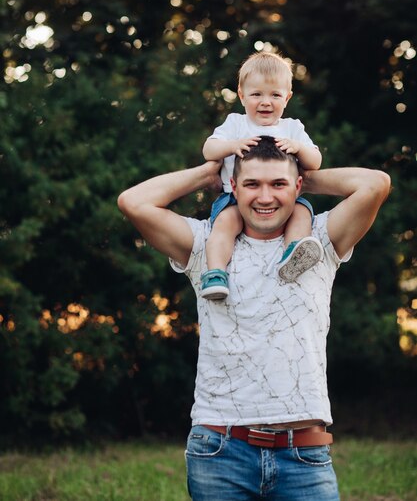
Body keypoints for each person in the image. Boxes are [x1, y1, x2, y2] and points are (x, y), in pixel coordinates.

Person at [117, 136, 390, 501]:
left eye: (278, 184)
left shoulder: (317, 241)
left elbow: (375, 184)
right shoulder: (205, 243)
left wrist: (303, 175)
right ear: (234, 186)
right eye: (251, 184)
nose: (264, 197)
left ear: (296, 186)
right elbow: (133, 202)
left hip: (304, 453)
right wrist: (207, 174)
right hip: (220, 450)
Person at [201, 51, 323, 300]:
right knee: (224, 226)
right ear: (242, 96)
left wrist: (299, 147)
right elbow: (208, 150)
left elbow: (316, 162)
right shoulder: (235, 124)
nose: (265, 102)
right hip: (234, 199)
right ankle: (215, 272)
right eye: (256, 94)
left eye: (275, 95)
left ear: (287, 98)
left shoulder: (292, 128)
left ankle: (292, 254)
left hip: (282, 199)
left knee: (302, 213)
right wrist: (232, 145)